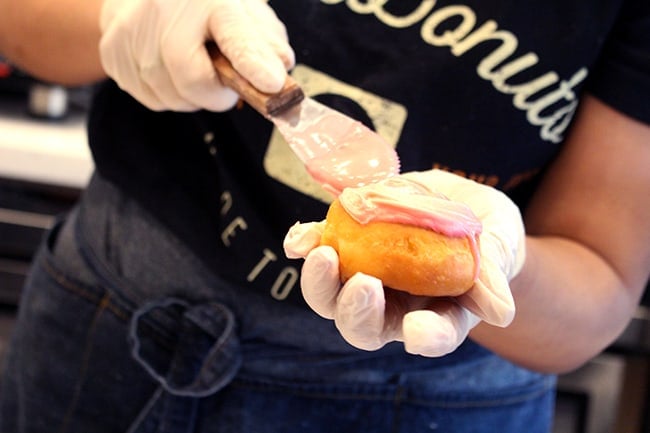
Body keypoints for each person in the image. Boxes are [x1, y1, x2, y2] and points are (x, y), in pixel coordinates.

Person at [0, 0, 648, 431]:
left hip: (436, 402)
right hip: (109, 327)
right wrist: (126, 13)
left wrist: (504, 260)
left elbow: (602, 277)